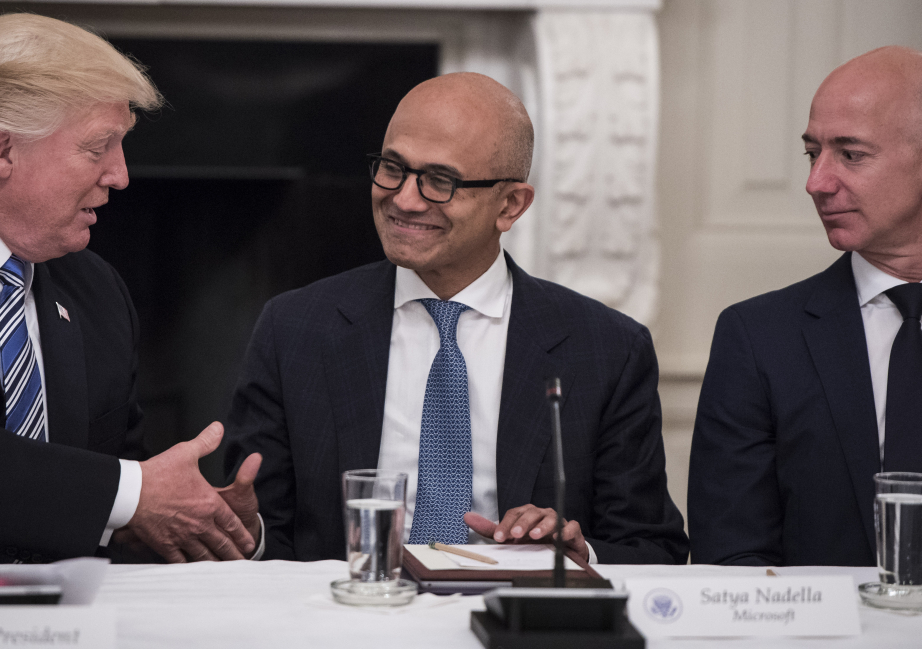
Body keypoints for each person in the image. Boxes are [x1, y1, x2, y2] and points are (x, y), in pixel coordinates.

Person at [0, 13, 260, 565]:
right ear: (2, 150)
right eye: (98, 146)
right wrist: (130, 493)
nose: (120, 175)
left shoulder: (96, 290)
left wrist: (202, 519)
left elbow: (106, 497)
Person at [220, 72, 688, 565]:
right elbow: (261, 530)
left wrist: (577, 555)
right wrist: (245, 532)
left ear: (510, 205)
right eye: (392, 167)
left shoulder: (606, 349)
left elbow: (654, 548)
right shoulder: (295, 328)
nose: (403, 198)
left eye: (440, 181)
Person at [688, 46, 922, 568]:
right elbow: (732, 556)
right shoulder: (758, 339)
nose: (816, 182)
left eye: (850, 154)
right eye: (812, 153)